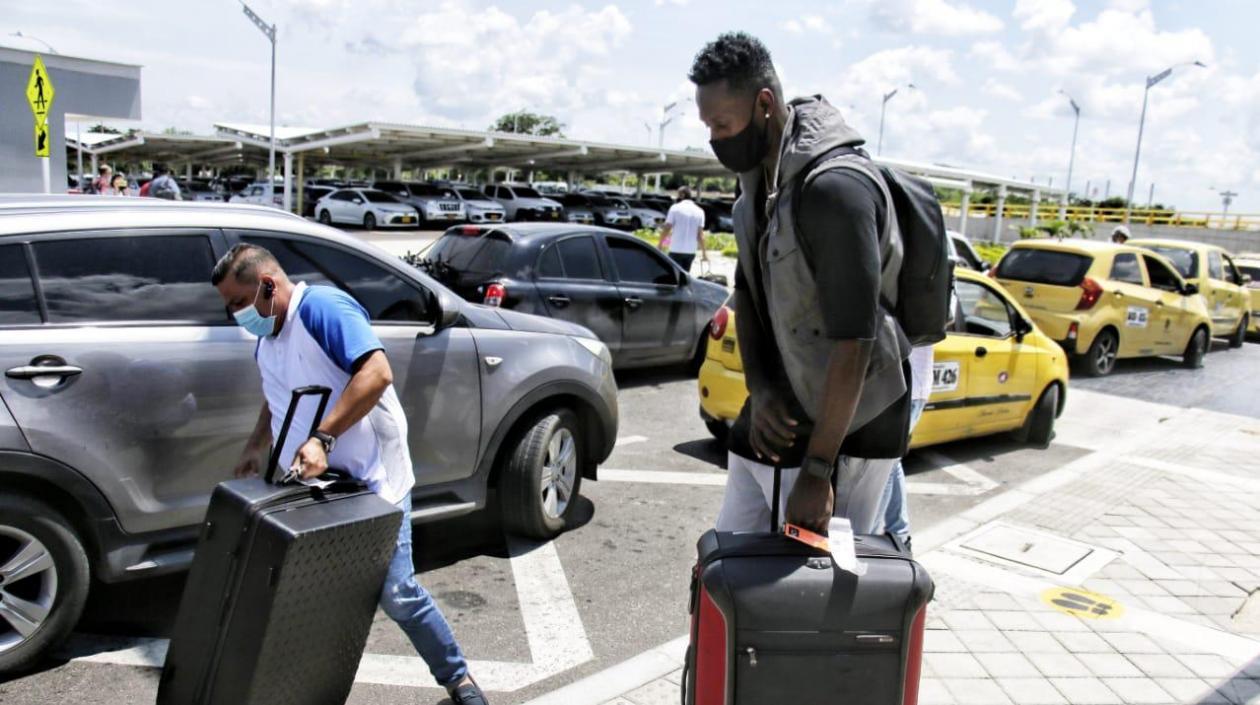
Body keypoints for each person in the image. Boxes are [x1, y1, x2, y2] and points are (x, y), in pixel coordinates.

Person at [211, 244, 489, 705]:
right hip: (315, 486)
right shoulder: (269, 335)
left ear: (267, 285)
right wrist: (256, 445)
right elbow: (276, 391)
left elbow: (377, 373)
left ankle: (458, 680)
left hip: (372, 478)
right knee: (314, 595)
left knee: (397, 592)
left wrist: (322, 438)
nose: (236, 315)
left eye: (238, 303)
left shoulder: (321, 308)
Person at [695, 32, 911, 536]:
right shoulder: (754, 186)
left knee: (820, 596)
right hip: (776, 416)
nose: (714, 139)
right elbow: (746, 293)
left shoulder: (836, 189)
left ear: (764, 104)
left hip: (848, 434)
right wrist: (760, 387)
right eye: (707, 126)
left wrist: (817, 471)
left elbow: (855, 340)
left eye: (722, 124)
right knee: (730, 564)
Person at [876, 344, 933, 551]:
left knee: (884, 464)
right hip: (907, 385)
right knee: (891, 462)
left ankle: (877, 537)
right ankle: (899, 536)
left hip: (905, 386)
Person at [659, 186, 708, 272]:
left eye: (678, 194)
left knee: (674, 276)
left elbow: (667, 228)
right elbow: (700, 235)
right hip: (690, 251)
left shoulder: (675, 208)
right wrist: (704, 253)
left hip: (676, 249)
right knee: (685, 276)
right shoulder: (700, 211)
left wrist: (660, 244)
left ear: (682, 195)